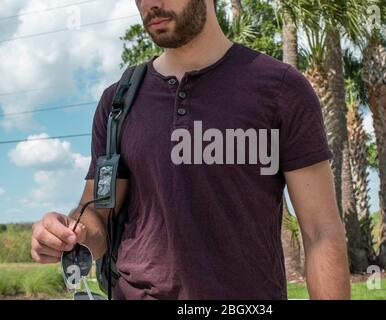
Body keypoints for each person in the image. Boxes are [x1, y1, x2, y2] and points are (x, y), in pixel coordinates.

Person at [31, 0, 350, 300]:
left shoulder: (280, 88)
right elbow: (98, 217)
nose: (150, 4)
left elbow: (321, 232)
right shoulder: (118, 102)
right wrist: (71, 236)